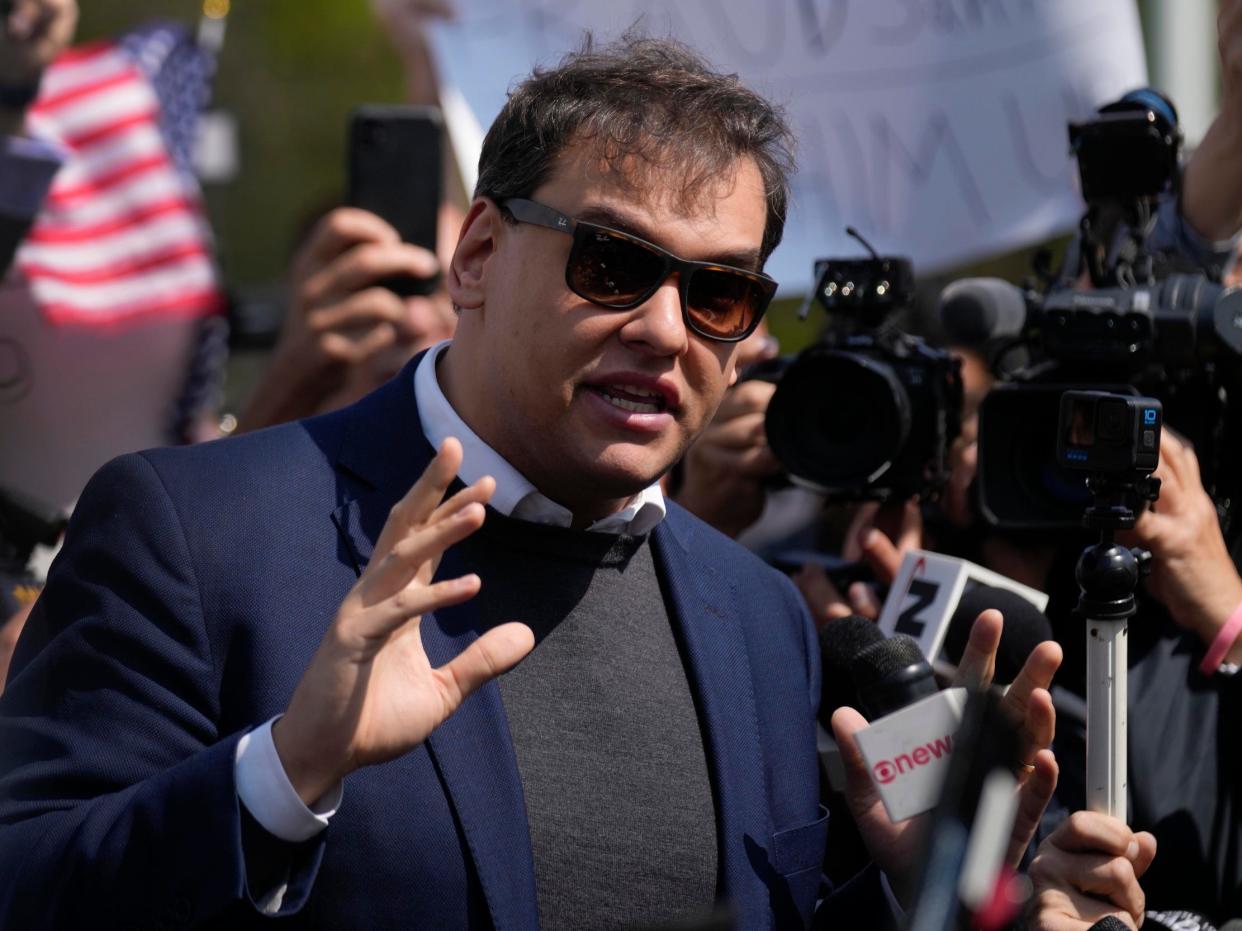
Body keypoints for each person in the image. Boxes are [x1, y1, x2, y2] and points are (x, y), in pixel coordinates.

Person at [1, 34, 1137, 930]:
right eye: (612, 263)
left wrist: (917, 896)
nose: (662, 328)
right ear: (480, 253)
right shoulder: (195, 530)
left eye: (718, 293)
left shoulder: (755, 617)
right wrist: (285, 773)